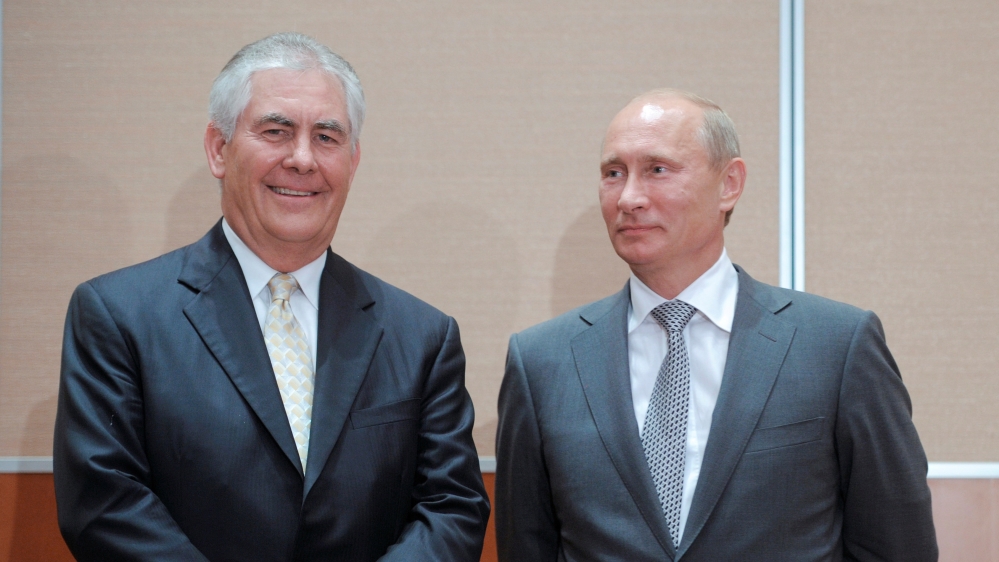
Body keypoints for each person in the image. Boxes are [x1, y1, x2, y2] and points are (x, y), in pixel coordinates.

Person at [54, 32, 489, 561]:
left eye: (326, 137)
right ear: (219, 149)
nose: (303, 159)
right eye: (276, 131)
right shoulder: (118, 316)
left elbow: (452, 507)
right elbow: (104, 505)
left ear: (353, 160)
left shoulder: (422, 336)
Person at [495, 89, 937, 561]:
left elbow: (897, 546)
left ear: (729, 184)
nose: (629, 197)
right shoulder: (541, 362)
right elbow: (526, 546)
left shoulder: (836, 346)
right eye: (613, 173)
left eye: (657, 169)